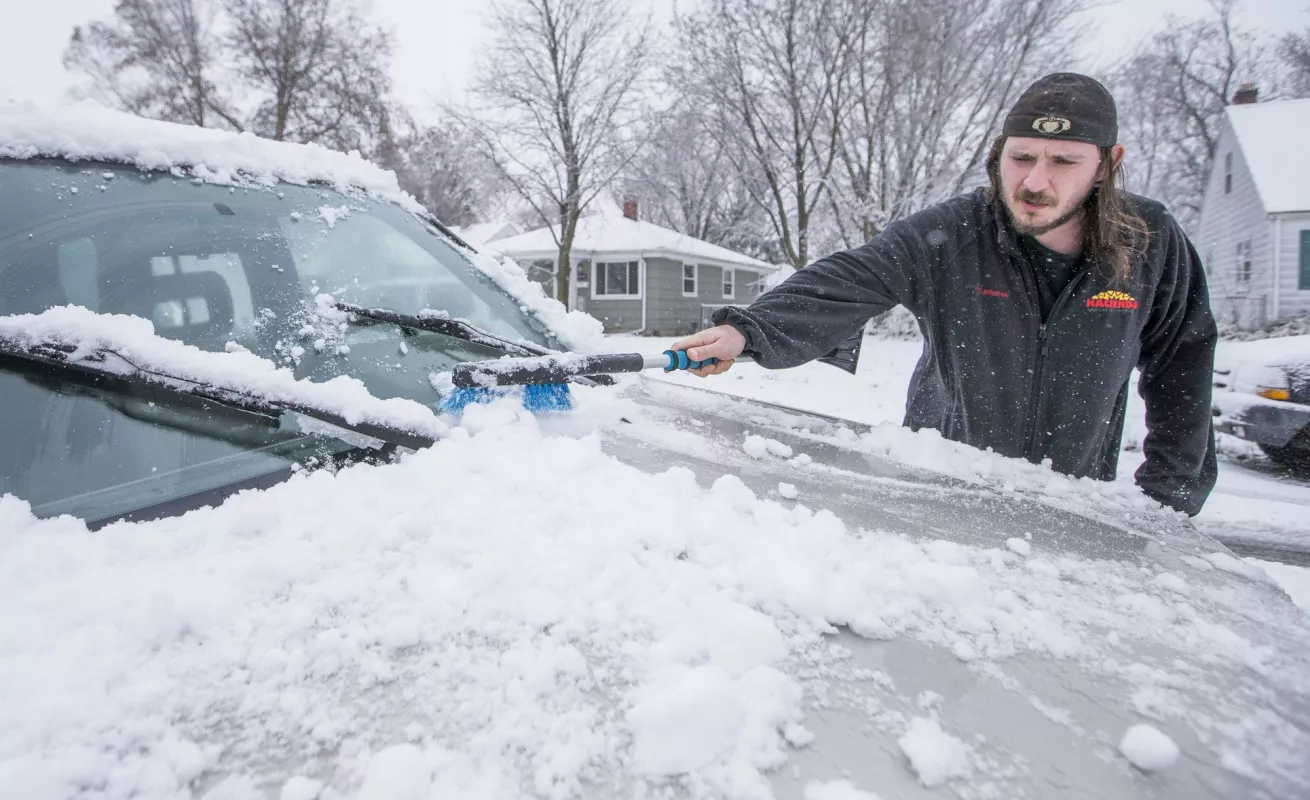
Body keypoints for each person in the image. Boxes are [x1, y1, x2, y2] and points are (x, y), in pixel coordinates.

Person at [672, 72, 1218, 516]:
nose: (1034, 182)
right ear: (999, 153)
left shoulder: (1148, 242)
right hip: (940, 497)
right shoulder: (956, 234)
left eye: (1063, 162)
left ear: (1107, 164)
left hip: (1071, 507)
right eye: (1022, 157)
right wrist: (749, 329)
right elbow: (853, 275)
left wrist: (1167, 500)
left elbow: (1183, 363)